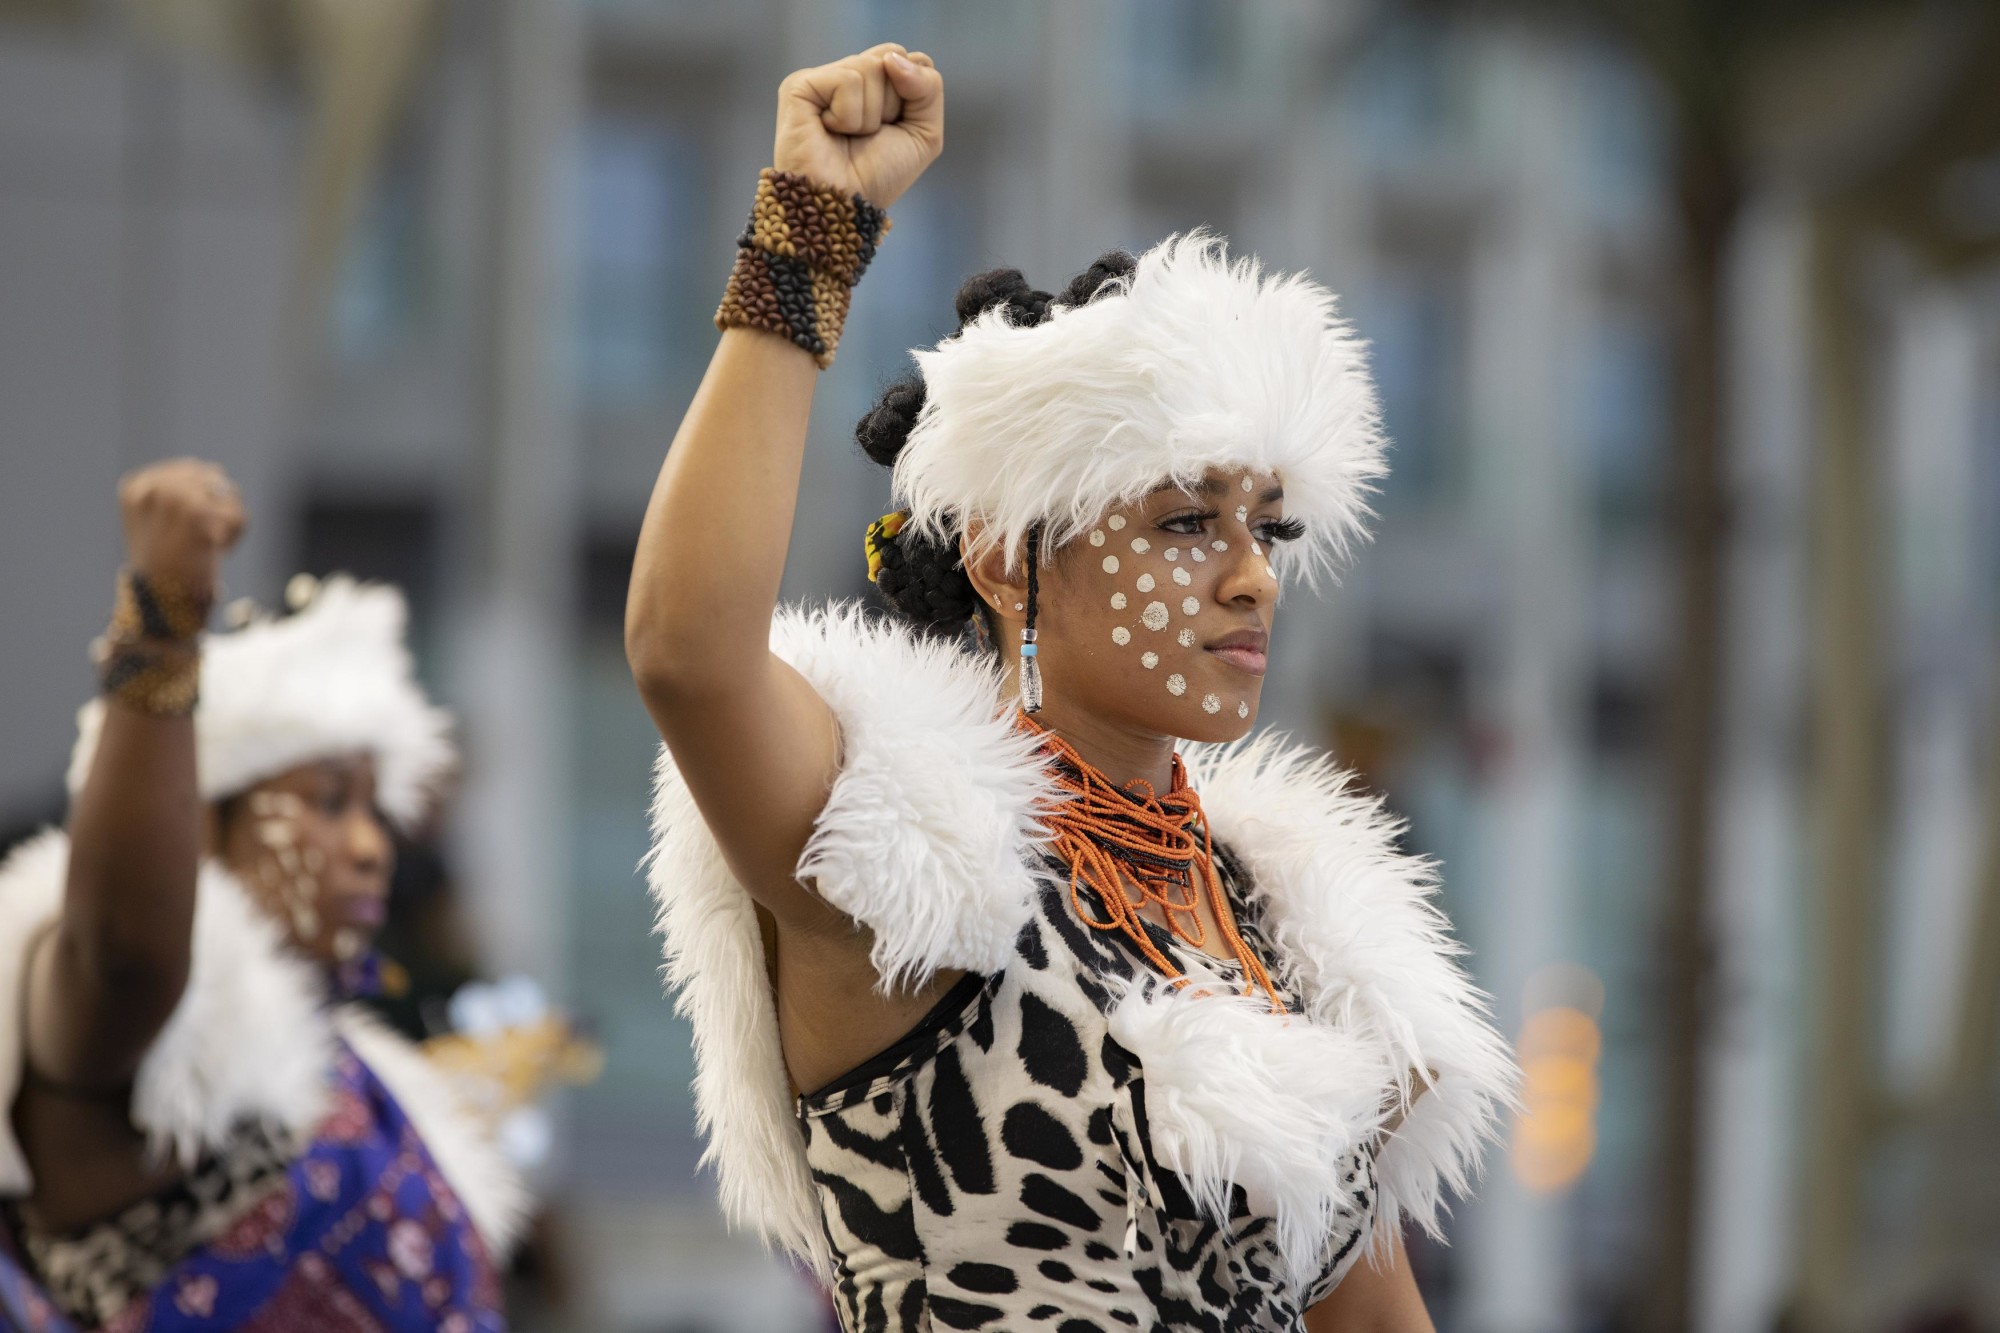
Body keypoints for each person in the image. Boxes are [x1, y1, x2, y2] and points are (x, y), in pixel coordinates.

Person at [627, 44, 1517, 1333]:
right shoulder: (904, 847)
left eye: (1263, 529)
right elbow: (685, 651)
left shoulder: (1282, 925)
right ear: (1003, 554)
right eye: (1179, 523)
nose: (1249, 578)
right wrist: (808, 235)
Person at [0, 460, 525, 1331]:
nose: (369, 845)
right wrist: (162, 630)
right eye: (327, 801)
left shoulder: (349, 1066)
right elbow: (127, 949)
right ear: (199, 824)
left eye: (374, 806)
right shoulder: (146, 1029)